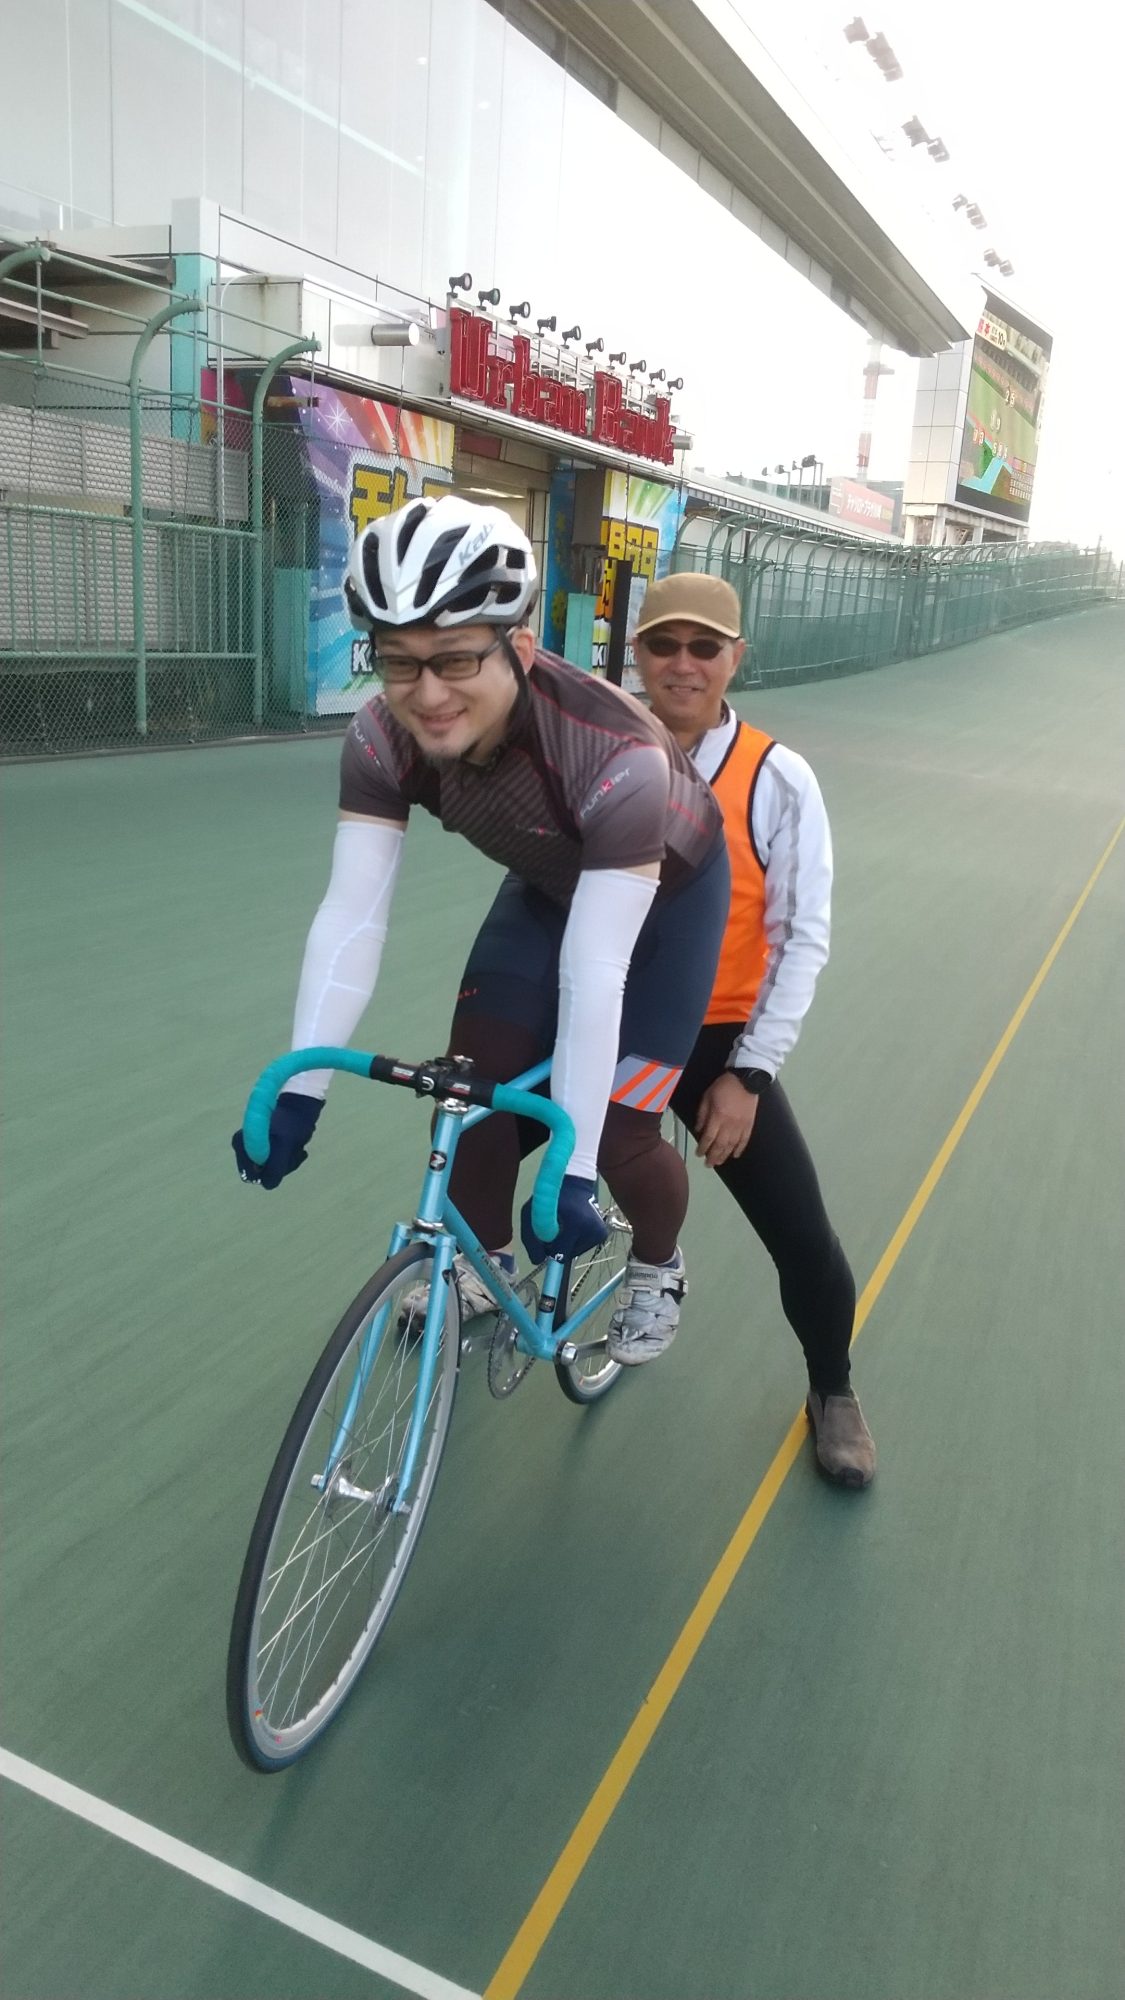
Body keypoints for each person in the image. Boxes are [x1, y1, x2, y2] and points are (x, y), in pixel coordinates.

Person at [233, 496, 730, 1364]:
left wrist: (573, 1170)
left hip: (666, 907)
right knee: (468, 1094)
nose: (427, 695)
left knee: (619, 1133)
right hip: (548, 883)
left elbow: (596, 970)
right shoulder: (379, 738)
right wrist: (300, 1088)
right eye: (398, 662)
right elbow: (351, 914)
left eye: (457, 658)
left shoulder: (616, 755)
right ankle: (481, 1264)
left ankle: (657, 1266)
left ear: (521, 650)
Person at [632, 572, 876, 1486]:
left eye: (705, 647)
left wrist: (748, 1075)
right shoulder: (605, 744)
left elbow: (801, 935)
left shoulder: (776, 776)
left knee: (800, 1234)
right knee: (486, 1120)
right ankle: (475, 1272)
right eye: (664, 644)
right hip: (613, 1020)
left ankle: (832, 1387)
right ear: (637, 653)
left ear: (736, 657)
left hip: (714, 1039)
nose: (683, 664)